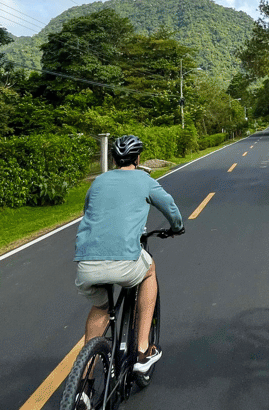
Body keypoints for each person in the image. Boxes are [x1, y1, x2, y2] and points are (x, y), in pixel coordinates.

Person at [73, 134, 184, 376]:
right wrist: (177, 227)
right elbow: (169, 206)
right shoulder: (144, 180)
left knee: (101, 306)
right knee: (149, 271)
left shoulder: (98, 182)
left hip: (86, 263)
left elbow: (89, 211)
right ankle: (143, 350)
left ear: (114, 160)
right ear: (138, 158)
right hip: (125, 261)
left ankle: (83, 384)